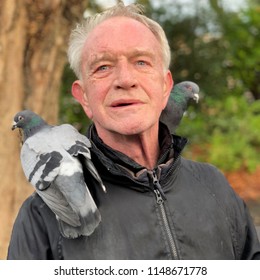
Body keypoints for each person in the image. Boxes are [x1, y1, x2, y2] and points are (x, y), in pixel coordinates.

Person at [7, 1, 260, 260]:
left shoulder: (214, 186)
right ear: (83, 97)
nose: (125, 80)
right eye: (103, 67)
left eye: (141, 62)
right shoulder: (40, 218)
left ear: (165, 87)